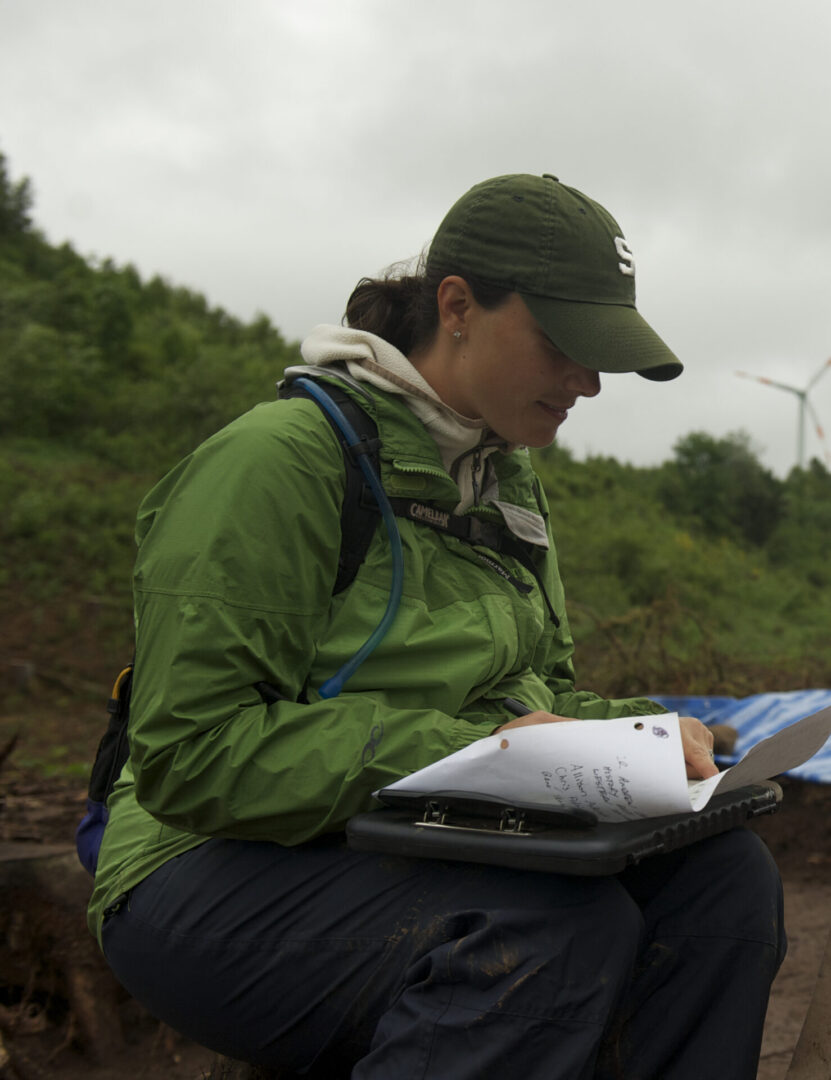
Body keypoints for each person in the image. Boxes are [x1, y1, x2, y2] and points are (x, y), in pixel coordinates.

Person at [88, 173, 785, 1079]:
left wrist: (643, 730)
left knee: (722, 885)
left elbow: (539, 689)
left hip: (419, 839)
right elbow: (193, 751)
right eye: (566, 344)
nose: (588, 383)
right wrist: (475, 751)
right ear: (457, 305)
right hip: (200, 866)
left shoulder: (504, 481)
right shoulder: (276, 463)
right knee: (551, 930)